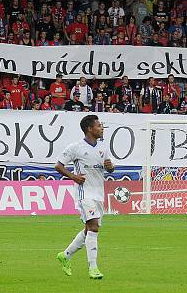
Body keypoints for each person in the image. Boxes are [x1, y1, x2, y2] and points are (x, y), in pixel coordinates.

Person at [55, 115, 114, 280]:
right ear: (90, 128)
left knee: (89, 229)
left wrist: (111, 168)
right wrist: (74, 177)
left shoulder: (103, 148)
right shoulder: (76, 147)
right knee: (94, 227)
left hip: (99, 193)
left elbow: (109, 168)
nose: (101, 128)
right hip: (84, 193)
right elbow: (58, 166)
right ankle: (93, 268)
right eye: (99, 126)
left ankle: (65, 255)